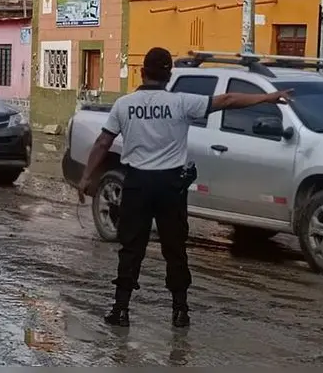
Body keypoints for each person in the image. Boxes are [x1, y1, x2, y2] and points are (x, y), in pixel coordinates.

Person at [77, 47, 291, 329]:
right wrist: (268, 97)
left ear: (142, 73)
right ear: (168, 75)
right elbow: (227, 100)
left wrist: (86, 177)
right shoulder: (181, 103)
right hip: (170, 186)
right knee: (175, 250)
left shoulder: (124, 105)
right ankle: (180, 311)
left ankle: (121, 310)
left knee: (131, 249)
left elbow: (103, 143)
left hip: (137, 185)